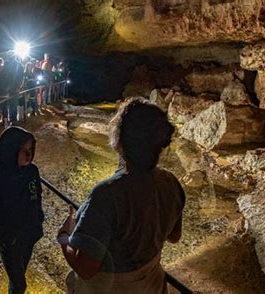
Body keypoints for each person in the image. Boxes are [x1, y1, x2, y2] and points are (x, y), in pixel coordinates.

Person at [57, 97, 185, 293]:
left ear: (119, 140)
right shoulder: (171, 183)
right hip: (151, 284)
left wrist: (64, 236)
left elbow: (85, 269)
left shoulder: (106, 195)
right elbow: (174, 236)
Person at [0, 127, 44, 294]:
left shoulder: (32, 171)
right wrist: (7, 236)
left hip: (28, 234)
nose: (28, 155)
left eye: (30, 150)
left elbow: (37, 195)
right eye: (23, 151)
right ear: (10, 151)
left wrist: (38, 219)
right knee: (19, 282)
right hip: (10, 239)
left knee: (20, 271)